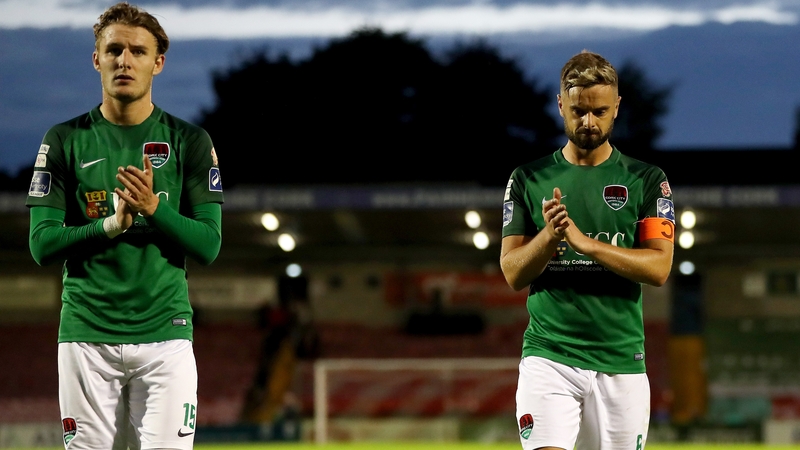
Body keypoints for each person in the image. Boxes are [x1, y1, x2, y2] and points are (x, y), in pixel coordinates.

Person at [25, 2, 223, 449]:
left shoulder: (190, 141)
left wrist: (154, 209)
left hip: (166, 337)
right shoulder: (63, 139)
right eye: (114, 49)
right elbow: (41, 245)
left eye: (137, 51)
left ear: (158, 63)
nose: (124, 60)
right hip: (86, 337)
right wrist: (110, 226)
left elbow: (209, 245)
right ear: (97, 59)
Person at [500, 50, 675, 450]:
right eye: (578, 111)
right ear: (561, 104)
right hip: (550, 355)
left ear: (616, 107)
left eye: (599, 111)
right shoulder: (526, 179)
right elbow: (512, 272)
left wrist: (584, 244)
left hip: (620, 362)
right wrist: (549, 236)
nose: (588, 122)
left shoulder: (648, 180)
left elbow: (659, 267)